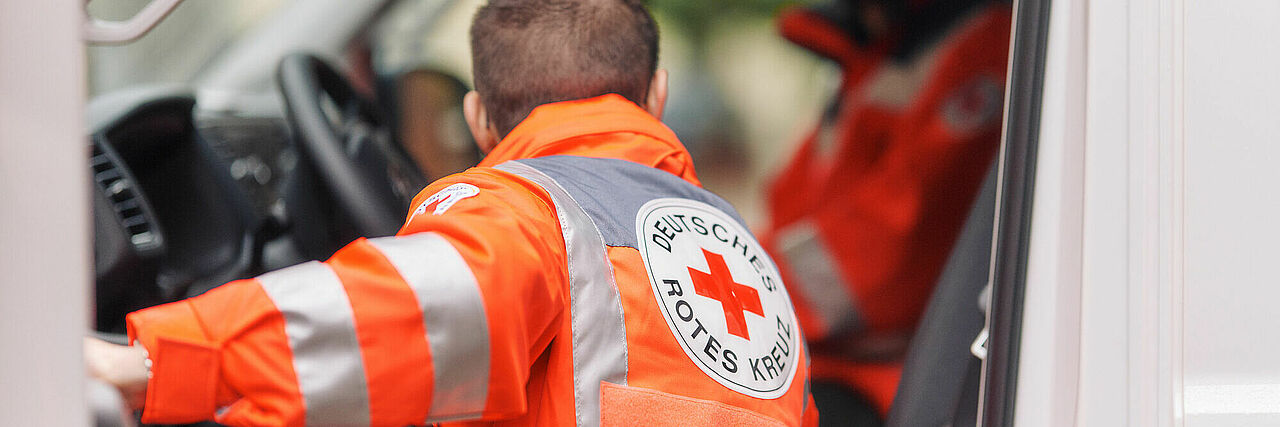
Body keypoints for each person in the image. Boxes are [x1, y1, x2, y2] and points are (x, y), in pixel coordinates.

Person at [85, 1, 819, 426]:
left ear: (477, 119)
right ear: (655, 98)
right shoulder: (738, 253)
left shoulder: (532, 212)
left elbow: (400, 311)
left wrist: (153, 360)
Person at [756, 0, 1011, 419]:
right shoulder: (885, 48)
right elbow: (790, 201)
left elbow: (890, 246)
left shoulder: (983, 46)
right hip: (821, 359)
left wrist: (750, 289)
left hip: (892, 378)